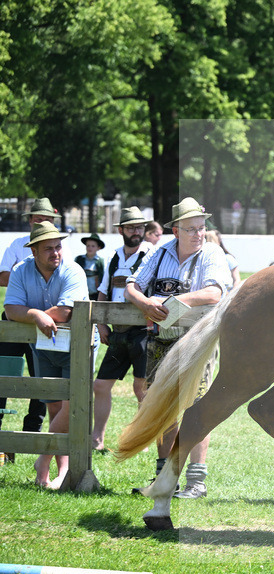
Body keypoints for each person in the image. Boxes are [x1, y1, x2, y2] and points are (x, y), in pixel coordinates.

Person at [126, 197, 231, 499]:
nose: (200, 233)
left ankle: (196, 482)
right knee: (162, 406)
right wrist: (144, 302)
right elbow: (132, 284)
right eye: (192, 229)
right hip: (161, 342)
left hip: (198, 341)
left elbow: (215, 291)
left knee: (197, 407)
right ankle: (163, 477)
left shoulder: (211, 253)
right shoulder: (159, 254)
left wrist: (177, 302)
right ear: (176, 231)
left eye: (201, 227)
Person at [3, 220, 89, 488]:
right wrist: (36, 314)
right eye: (49, 249)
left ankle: (42, 458)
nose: (56, 253)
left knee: (70, 403)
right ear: (34, 252)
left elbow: (65, 313)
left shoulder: (73, 271)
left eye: (58, 247)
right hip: (44, 347)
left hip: (77, 346)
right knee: (54, 406)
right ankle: (57, 472)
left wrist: (28, 314)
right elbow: (9, 310)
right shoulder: (20, 271)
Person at [90, 207, 153, 452]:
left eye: (139, 227)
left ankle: (142, 437)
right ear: (121, 230)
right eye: (131, 227)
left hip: (143, 331)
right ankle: (97, 438)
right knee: (101, 385)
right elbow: (103, 292)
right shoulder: (113, 257)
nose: (136, 231)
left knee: (142, 387)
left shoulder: (152, 255)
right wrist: (101, 323)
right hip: (118, 332)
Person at [0, 198, 58, 456]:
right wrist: (30, 281)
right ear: (30, 220)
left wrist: (21, 281)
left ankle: (31, 433)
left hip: (44, 318)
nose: (41, 221)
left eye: (46, 218)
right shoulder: (16, 244)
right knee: (4, 374)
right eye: (37, 218)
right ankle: (1, 438)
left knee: (41, 377)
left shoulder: (56, 249)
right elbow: (1, 277)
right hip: (14, 318)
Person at [74, 232, 105, 301]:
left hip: (94, 294)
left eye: (93, 246)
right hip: (80, 293)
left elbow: (102, 278)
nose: (90, 248)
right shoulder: (79, 259)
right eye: (88, 245)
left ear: (98, 248)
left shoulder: (99, 262)